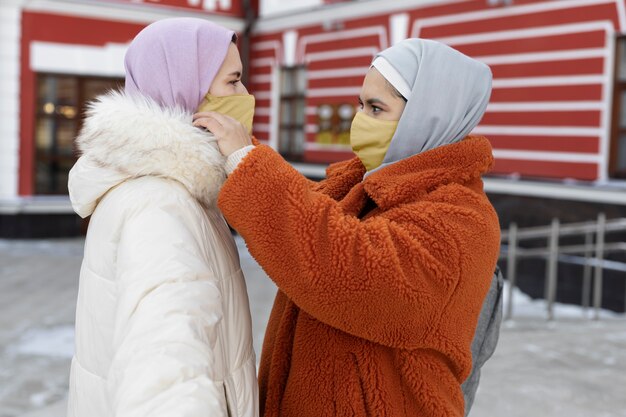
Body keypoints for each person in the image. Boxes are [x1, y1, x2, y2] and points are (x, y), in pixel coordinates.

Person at [194, 38, 502, 417]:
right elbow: (307, 206)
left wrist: (247, 161)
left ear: (428, 116)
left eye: (376, 108)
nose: (359, 120)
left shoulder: (462, 218)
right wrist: (235, 150)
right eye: (360, 104)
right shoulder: (366, 183)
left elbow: (346, 268)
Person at [67, 18, 258, 417]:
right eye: (233, 81)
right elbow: (166, 362)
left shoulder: (183, 189)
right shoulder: (159, 203)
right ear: (186, 88)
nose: (246, 94)